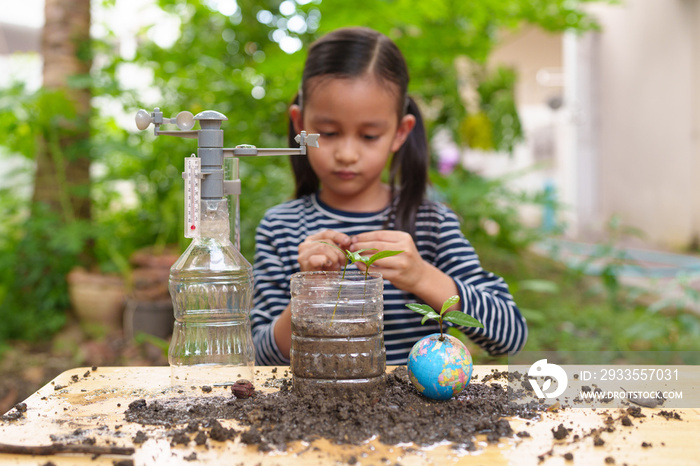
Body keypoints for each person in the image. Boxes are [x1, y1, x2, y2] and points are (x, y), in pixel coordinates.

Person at [251, 27, 527, 365]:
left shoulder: (430, 224)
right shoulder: (281, 228)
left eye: (368, 135)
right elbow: (259, 358)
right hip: (315, 411)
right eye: (329, 133)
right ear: (300, 126)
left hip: (414, 413)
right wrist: (309, 293)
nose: (347, 153)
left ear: (400, 133)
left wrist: (422, 277)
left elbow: (511, 335)